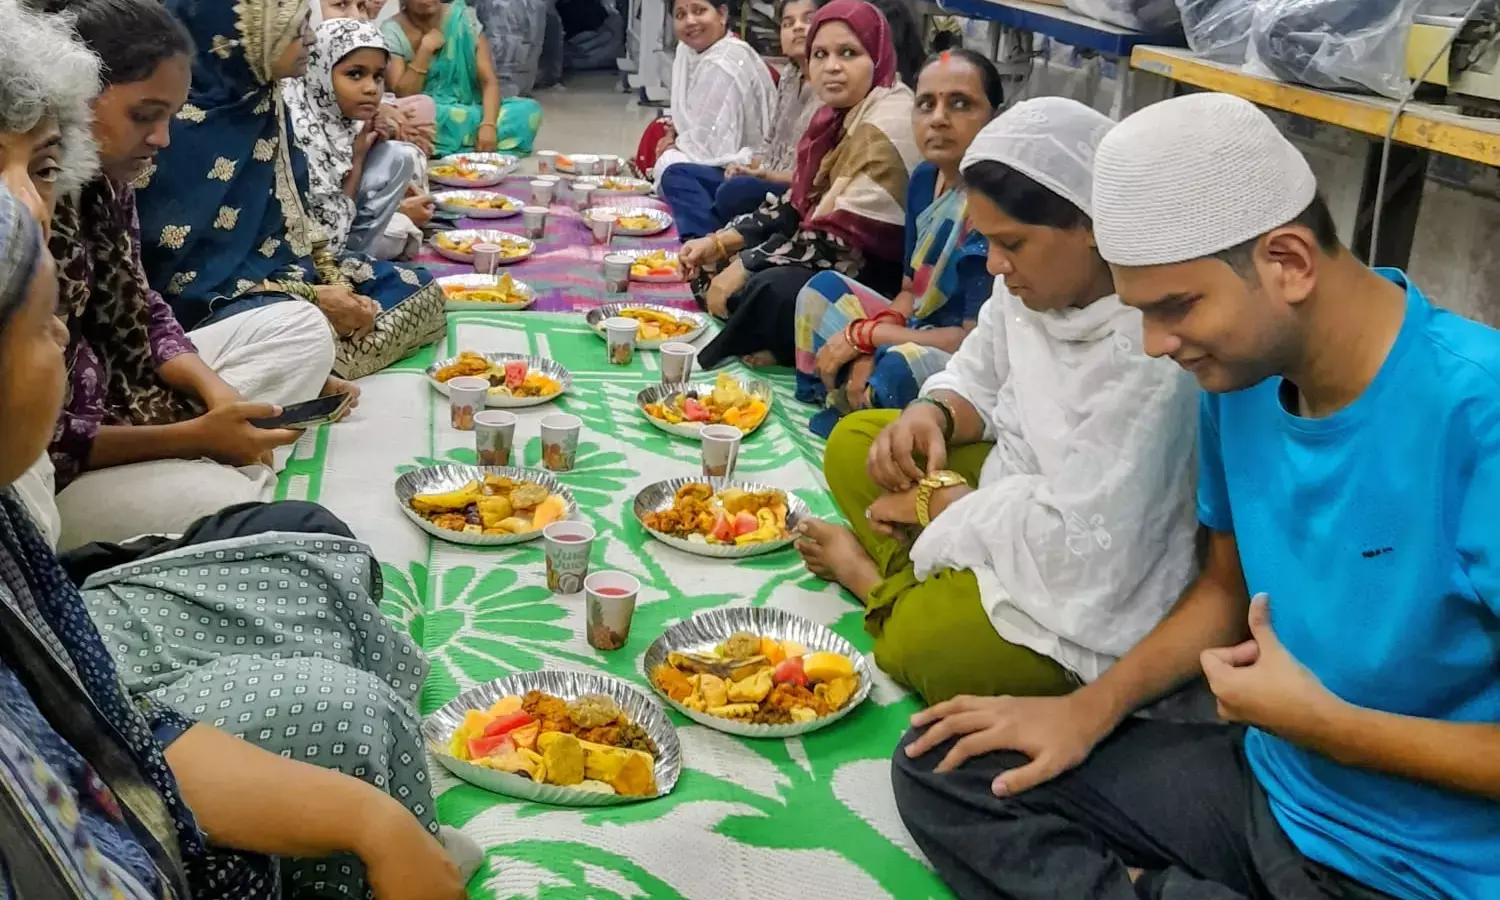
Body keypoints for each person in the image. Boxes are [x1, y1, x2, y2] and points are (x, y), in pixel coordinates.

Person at [892, 93, 1500, 900]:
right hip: (1272, 788)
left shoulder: (1476, 414)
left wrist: (1331, 728)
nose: (1154, 345)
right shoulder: (1240, 382)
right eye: (1140, 311)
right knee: (944, 764)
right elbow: (1222, 588)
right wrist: (1088, 712)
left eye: (1175, 307)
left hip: (1422, 869)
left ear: (1289, 261)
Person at [0, 182, 471, 900]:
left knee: (302, 550)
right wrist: (360, 820)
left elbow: (93, 711)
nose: (67, 338)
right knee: (344, 707)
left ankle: (391, 814)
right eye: (43, 327)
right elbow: (82, 792)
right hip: (111, 804)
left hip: (96, 658)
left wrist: (369, 820)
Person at [795, 97, 1199, 707]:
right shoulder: (1025, 288)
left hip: (1090, 561)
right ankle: (934, 572)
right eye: (987, 241)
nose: (995, 264)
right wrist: (931, 413)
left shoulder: (1154, 346)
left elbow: (1094, 544)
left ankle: (871, 578)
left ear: (1092, 227)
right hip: (1008, 490)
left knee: (922, 647)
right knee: (857, 444)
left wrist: (938, 503)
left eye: (1012, 242)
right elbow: (979, 374)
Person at [0, 0, 337, 551]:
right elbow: (42, 437)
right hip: (52, 462)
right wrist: (190, 438)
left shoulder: (107, 186)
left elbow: (146, 308)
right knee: (231, 504)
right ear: (78, 96)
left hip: (115, 395)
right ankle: (208, 468)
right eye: (144, 115)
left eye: (171, 116)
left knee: (301, 329)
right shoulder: (27, 212)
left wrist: (219, 395)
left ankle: (216, 451)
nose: (163, 139)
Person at [135, 0, 445, 382]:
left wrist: (331, 282)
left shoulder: (264, 101)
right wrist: (312, 298)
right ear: (247, 38)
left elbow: (300, 222)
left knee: (418, 285)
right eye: (298, 30)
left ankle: (302, 369)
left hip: (282, 274)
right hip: (211, 309)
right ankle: (291, 368)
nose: (312, 39)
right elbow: (176, 285)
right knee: (302, 330)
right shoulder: (172, 129)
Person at [685, 0, 922, 370]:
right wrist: (721, 242)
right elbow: (796, 202)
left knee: (773, 289)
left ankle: (776, 340)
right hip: (826, 249)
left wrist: (748, 262)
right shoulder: (833, 117)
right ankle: (764, 330)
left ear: (878, 56)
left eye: (849, 53)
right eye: (820, 54)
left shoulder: (888, 124)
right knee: (719, 259)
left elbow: (840, 241)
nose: (832, 67)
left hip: (871, 275)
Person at [793, 48, 1003, 438]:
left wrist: (868, 337)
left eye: (960, 104)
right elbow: (909, 291)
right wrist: (872, 334)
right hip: (916, 324)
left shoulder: (994, 205)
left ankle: (864, 415)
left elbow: (972, 342)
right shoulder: (924, 179)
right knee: (820, 292)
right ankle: (845, 398)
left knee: (898, 364)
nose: (938, 118)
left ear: (995, 117)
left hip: (959, 353)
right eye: (926, 104)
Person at [287, 17, 436, 257]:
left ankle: (361, 255)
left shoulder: (347, 118)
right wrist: (357, 159)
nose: (371, 88)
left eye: (378, 77)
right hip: (308, 250)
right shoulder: (302, 129)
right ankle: (355, 259)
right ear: (320, 72)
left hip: (344, 228)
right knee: (399, 236)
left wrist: (378, 138)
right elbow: (325, 241)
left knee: (399, 155)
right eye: (355, 74)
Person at [651, 0, 777, 240]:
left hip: (743, 163)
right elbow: (692, 115)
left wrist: (677, 146)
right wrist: (674, 134)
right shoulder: (686, 51)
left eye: (699, 11)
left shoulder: (725, 61)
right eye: (680, 15)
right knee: (657, 134)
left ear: (722, 14)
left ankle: (702, 239)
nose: (690, 21)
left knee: (670, 168)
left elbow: (714, 149)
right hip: (712, 155)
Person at [381, 0, 544, 155]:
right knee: (416, 114)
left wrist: (488, 125)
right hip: (432, 112)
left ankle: (458, 142)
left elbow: (488, 81)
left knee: (527, 110)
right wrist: (425, 51)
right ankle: (474, 143)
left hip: (468, 107)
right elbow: (403, 94)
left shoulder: (463, 19)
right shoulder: (393, 30)